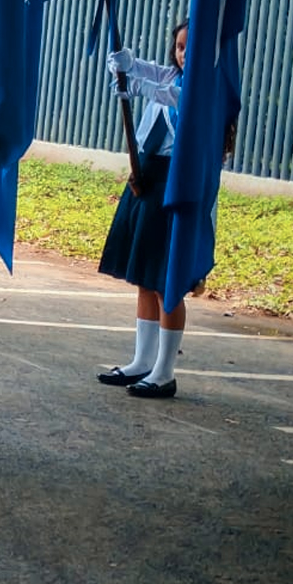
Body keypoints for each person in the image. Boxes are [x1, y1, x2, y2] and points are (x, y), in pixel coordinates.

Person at [96, 23, 194, 399]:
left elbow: (176, 98)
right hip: (148, 173)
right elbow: (148, 73)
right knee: (142, 275)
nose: (183, 53)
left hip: (174, 179)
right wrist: (126, 65)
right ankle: (142, 360)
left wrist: (138, 85)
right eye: (180, 47)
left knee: (164, 279)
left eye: (190, 47)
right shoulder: (171, 73)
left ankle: (165, 370)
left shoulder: (204, 86)